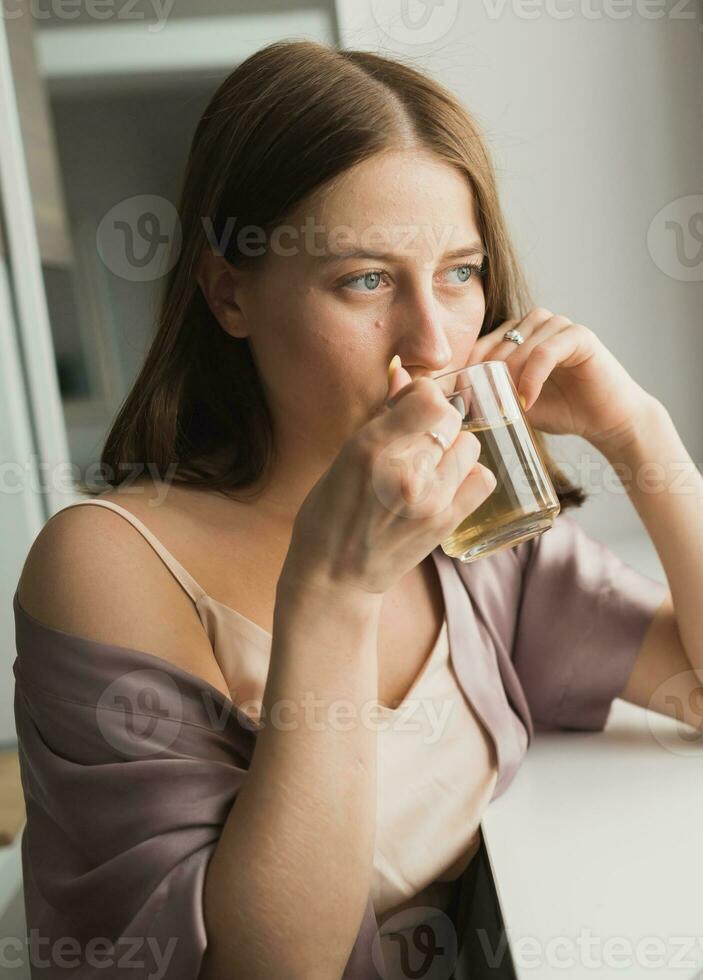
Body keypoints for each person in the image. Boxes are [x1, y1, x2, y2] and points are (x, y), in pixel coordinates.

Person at [13, 39, 698, 980]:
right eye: (364, 280)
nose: (429, 341)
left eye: (459, 273)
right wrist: (334, 588)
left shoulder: (474, 526)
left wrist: (643, 438)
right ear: (229, 294)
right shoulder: (108, 563)